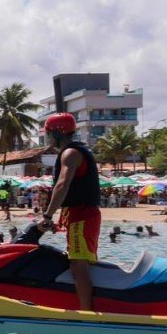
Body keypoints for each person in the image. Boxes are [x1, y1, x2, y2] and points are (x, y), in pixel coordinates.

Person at [38, 112, 101, 311]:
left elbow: (62, 185)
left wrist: (47, 216)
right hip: (79, 215)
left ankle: (86, 312)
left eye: (48, 133)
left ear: (58, 133)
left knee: (78, 265)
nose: (47, 138)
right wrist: (59, 220)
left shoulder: (70, 153)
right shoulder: (74, 152)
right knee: (78, 262)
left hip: (82, 216)